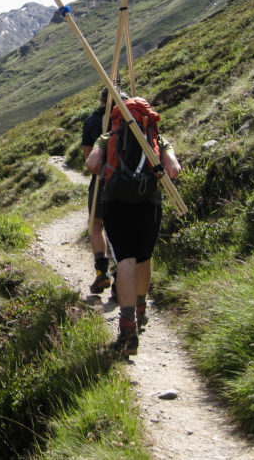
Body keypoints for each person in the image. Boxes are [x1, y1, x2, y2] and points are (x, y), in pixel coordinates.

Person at [85, 96, 181, 356]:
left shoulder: (108, 137)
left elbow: (92, 164)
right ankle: (141, 309)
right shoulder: (157, 138)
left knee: (125, 261)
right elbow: (173, 170)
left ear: (117, 117)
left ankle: (128, 331)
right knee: (144, 257)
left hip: (116, 203)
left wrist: (111, 169)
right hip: (150, 204)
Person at [81, 87, 112, 294]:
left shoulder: (92, 122)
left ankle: (102, 271)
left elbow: (87, 159)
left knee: (96, 223)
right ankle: (122, 280)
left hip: (102, 180)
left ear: (101, 101)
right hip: (134, 181)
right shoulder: (133, 121)